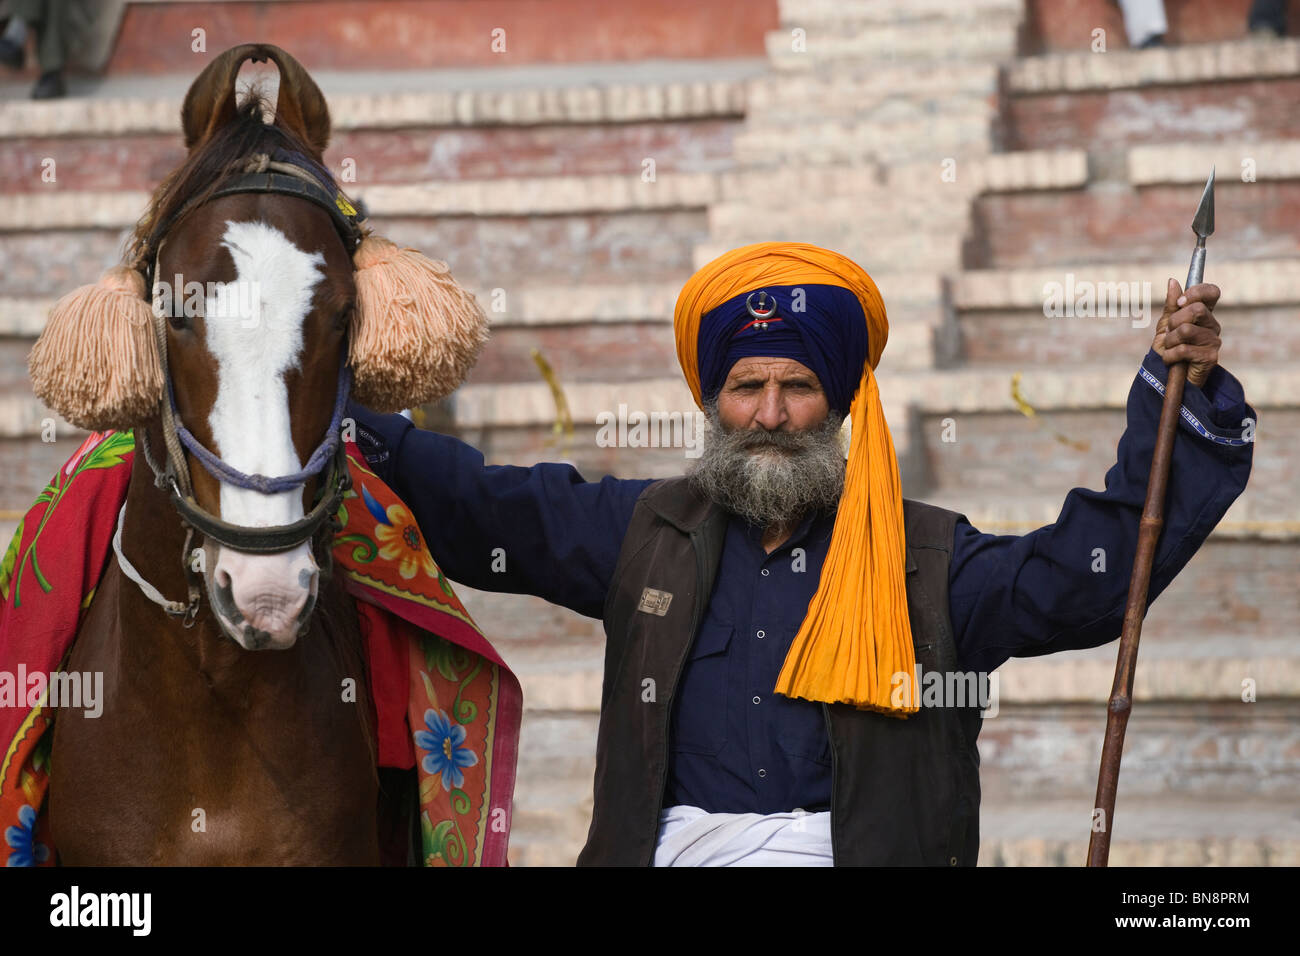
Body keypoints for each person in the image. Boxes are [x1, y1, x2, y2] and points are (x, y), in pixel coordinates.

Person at [346, 242, 1255, 866]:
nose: (771, 415)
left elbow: (1083, 579)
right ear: (714, 400)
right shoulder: (642, 533)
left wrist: (1183, 402)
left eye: (798, 386)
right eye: (747, 386)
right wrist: (321, 406)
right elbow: (481, 503)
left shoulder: (928, 558)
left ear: (844, 402)